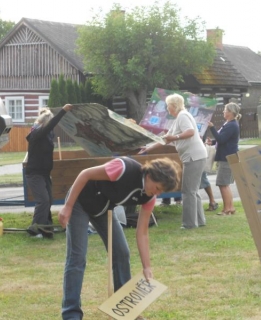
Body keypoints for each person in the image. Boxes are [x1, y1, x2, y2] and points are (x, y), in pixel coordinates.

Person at [58, 157, 181, 320]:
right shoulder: (122, 168)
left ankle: (123, 308)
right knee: (77, 257)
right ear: (150, 175)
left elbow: (142, 232)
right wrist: (68, 206)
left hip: (103, 209)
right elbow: (85, 174)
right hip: (80, 202)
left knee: (121, 253)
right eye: (157, 188)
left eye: (161, 191)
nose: (157, 193)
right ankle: (71, 313)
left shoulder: (149, 197)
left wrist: (147, 267)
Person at [139, 93, 207, 229]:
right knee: (193, 190)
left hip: (194, 156)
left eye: (168, 105)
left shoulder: (183, 116)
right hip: (194, 156)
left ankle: (189, 224)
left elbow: (190, 132)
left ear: (173, 105)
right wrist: (147, 149)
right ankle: (199, 221)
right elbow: (165, 139)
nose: (167, 108)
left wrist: (175, 137)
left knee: (188, 191)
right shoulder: (178, 119)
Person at [25, 104, 73, 239]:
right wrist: (63, 111)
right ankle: (35, 229)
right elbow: (52, 124)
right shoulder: (37, 134)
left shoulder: (47, 136)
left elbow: (50, 129)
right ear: (46, 123)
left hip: (44, 173)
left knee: (49, 200)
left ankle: (46, 227)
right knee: (43, 200)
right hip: (34, 174)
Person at [207, 102, 241, 215]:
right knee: (225, 184)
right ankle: (230, 208)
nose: (223, 112)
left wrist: (212, 128)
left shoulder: (231, 125)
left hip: (227, 157)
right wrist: (212, 141)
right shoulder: (229, 123)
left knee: (222, 183)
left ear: (231, 112)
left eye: (225, 110)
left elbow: (221, 139)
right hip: (228, 156)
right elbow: (223, 139)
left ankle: (227, 209)